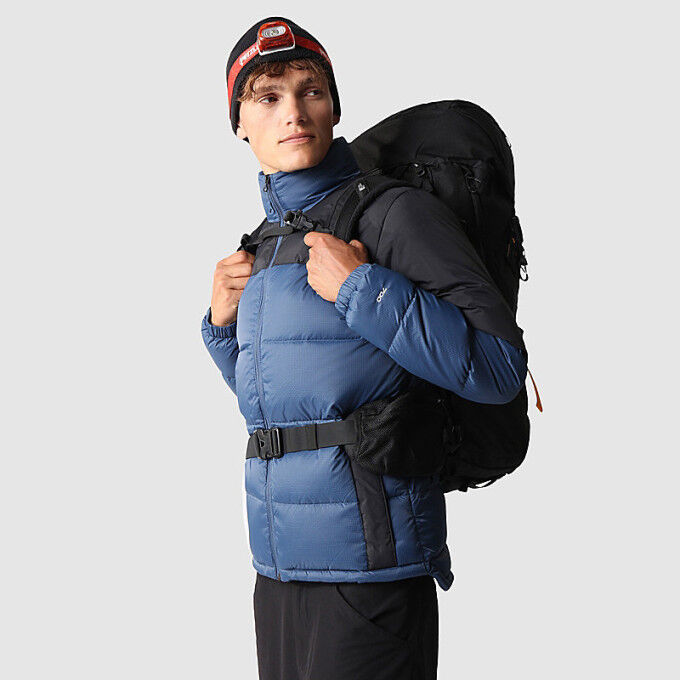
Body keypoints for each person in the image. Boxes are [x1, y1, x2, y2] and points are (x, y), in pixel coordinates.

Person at [202, 16, 528, 680]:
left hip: (372, 573)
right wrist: (220, 328)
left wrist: (361, 288)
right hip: (279, 571)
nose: (294, 112)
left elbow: (499, 367)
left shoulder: (394, 214)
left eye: (311, 91)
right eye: (268, 96)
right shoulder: (265, 243)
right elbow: (291, 407)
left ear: (334, 106)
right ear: (239, 122)